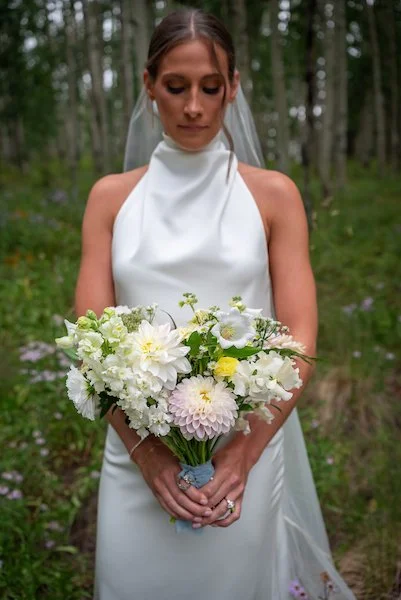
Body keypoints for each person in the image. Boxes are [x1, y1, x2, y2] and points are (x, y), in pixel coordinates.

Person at [75, 9, 356, 600]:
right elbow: (90, 340)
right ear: (149, 85)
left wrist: (242, 456)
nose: (195, 107)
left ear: (233, 88)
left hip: (243, 450)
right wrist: (150, 457)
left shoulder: (274, 195)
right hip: (135, 455)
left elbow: (299, 336)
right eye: (176, 88)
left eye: (210, 87)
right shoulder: (110, 200)